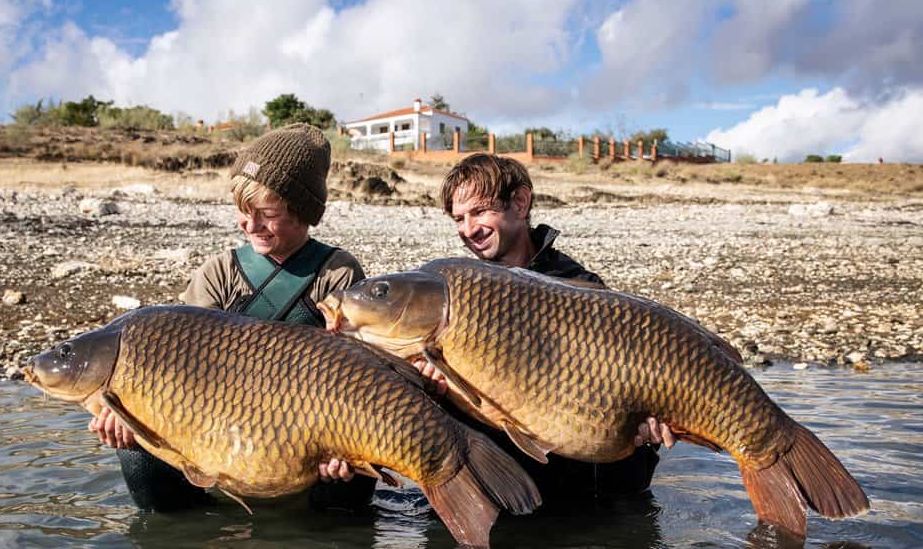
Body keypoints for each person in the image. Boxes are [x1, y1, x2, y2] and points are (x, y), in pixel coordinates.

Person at [323, 153, 677, 510]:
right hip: (494, 489)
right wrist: (431, 388)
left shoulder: (583, 289)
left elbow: (629, 385)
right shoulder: (453, 293)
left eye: (480, 212)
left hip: (575, 495)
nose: (468, 229)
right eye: (458, 219)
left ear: (520, 203)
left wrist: (648, 430)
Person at [89, 123, 376, 511]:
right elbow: (170, 363)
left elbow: (360, 375)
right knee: (137, 447)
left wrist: (344, 445)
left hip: (309, 434)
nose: (250, 225)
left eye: (267, 214)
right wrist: (125, 412)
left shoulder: (337, 272)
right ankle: (178, 548)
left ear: (303, 212)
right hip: (222, 430)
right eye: (242, 212)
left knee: (356, 471)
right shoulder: (219, 272)